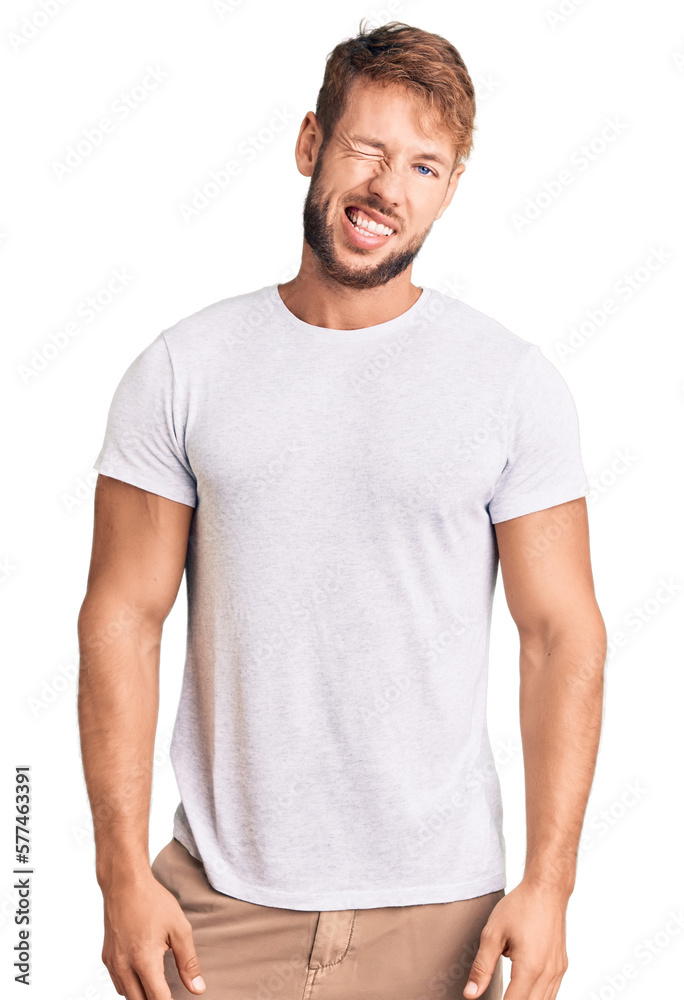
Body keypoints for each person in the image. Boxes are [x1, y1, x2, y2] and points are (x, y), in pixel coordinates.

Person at [77, 19, 607, 1000]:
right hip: (213, 913)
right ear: (310, 144)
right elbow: (121, 620)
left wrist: (551, 884)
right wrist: (119, 873)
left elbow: (560, 635)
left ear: (448, 190)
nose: (387, 189)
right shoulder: (182, 371)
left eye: (424, 166)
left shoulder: (510, 384)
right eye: (367, 148)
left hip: (448, 918)